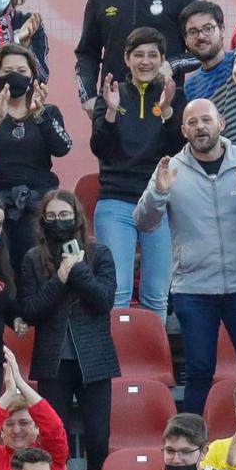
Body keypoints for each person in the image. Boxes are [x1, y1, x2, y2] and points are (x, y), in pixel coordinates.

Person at [134, 98, 236, 411]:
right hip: (194, 288)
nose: (199, 127)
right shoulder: (171, 169)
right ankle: (192, 443)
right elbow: (144, 221)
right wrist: (159, 193)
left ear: (222, 124)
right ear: (183, 130)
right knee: (200, 371)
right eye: (192, 122)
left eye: (206, 120)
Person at [16, 189, 116, 470]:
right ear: (43, 220)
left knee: (98, 441)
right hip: (53, 362)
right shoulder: (33, 259)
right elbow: (31, 310)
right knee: (52, 441)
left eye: (65, 215)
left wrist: (79, 270)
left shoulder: (100, 255)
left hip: (95, 361)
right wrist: (60, 278)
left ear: (77, 218)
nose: (59, 222)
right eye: (53, 216)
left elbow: (104, 301)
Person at [90, 28, 183, 315]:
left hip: (158, 201)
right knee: (117, 291)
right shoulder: (110, 94)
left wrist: (167, 111)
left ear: (162, 60)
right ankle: (115, 359)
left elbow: (180, 149)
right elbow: (99, 147)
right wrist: (111, 112)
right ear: (127, 59)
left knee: (157, 293)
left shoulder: (173, 95)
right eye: (139, 55)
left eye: (152, 55)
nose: (145, 61)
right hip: (116, 201)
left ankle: (151, 358)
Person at [0, 46, 72, 269]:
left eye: (22, 71)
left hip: (36, 199)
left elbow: (63, 147)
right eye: (9, 70)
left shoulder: (49, 111)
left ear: (33, 76)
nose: (16, 76)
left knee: (31, 255)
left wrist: (40, 115)